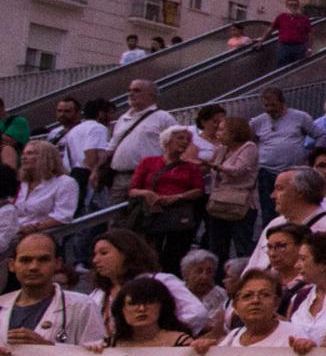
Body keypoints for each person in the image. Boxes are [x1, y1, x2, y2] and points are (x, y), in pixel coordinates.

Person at [0, 232, 106, 347]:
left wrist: (48, 348)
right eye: (25, 260)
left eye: (43, 259)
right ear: (12, 265)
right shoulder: (2, 303)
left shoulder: (83, 305)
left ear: (57, 263)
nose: (33, 267)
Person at [88, 229, 209, 330]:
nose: (95, 260)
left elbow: (197, 313)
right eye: (95, 255)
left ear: (126, 252)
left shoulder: (162, 281)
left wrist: (162, 334)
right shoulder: (98, 295)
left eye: (103, 253)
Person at [126, 127, 204, 266]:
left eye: (187, 139)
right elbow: (132, 190)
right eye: (180, 138)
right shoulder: (148, 162)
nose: (185, 142)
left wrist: (178, 196)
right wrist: (147, 193)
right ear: (167, 141)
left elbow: (199, 190)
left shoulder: (191, 167)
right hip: (153, 213)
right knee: (151, 252)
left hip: (179, 214)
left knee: (175, 254)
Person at [250, 86, 318, 220]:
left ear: (282, 102)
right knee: (269, 210)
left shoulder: (300, 117)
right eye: (266, 105)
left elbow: (320, 135)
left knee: (294, 206)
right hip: (266, 172)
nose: (270, 109)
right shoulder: (257, 121)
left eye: (273, 105)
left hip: (293, 171)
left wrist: (312, 156)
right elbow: (249, 142)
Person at [202, 116, 261, 262]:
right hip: (219, 201)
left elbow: (237, 170)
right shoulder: (221, 149)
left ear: (235, 132)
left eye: (222, 130)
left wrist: (215, 166)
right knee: (217, 246)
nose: (218, 133)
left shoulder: (249, 147)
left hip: (242, 204)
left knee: (242, 245)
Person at [103, 79, 173, 203]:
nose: (131, 94)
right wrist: (98, 170)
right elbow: (111, 147)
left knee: (142, 216)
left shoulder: (163, 118)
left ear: (151, 95)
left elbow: (173, 147)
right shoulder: (123, 118)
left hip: (148, 177)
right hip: (120, 177)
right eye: (129, 91)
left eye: (136, 91)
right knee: (116, 217)